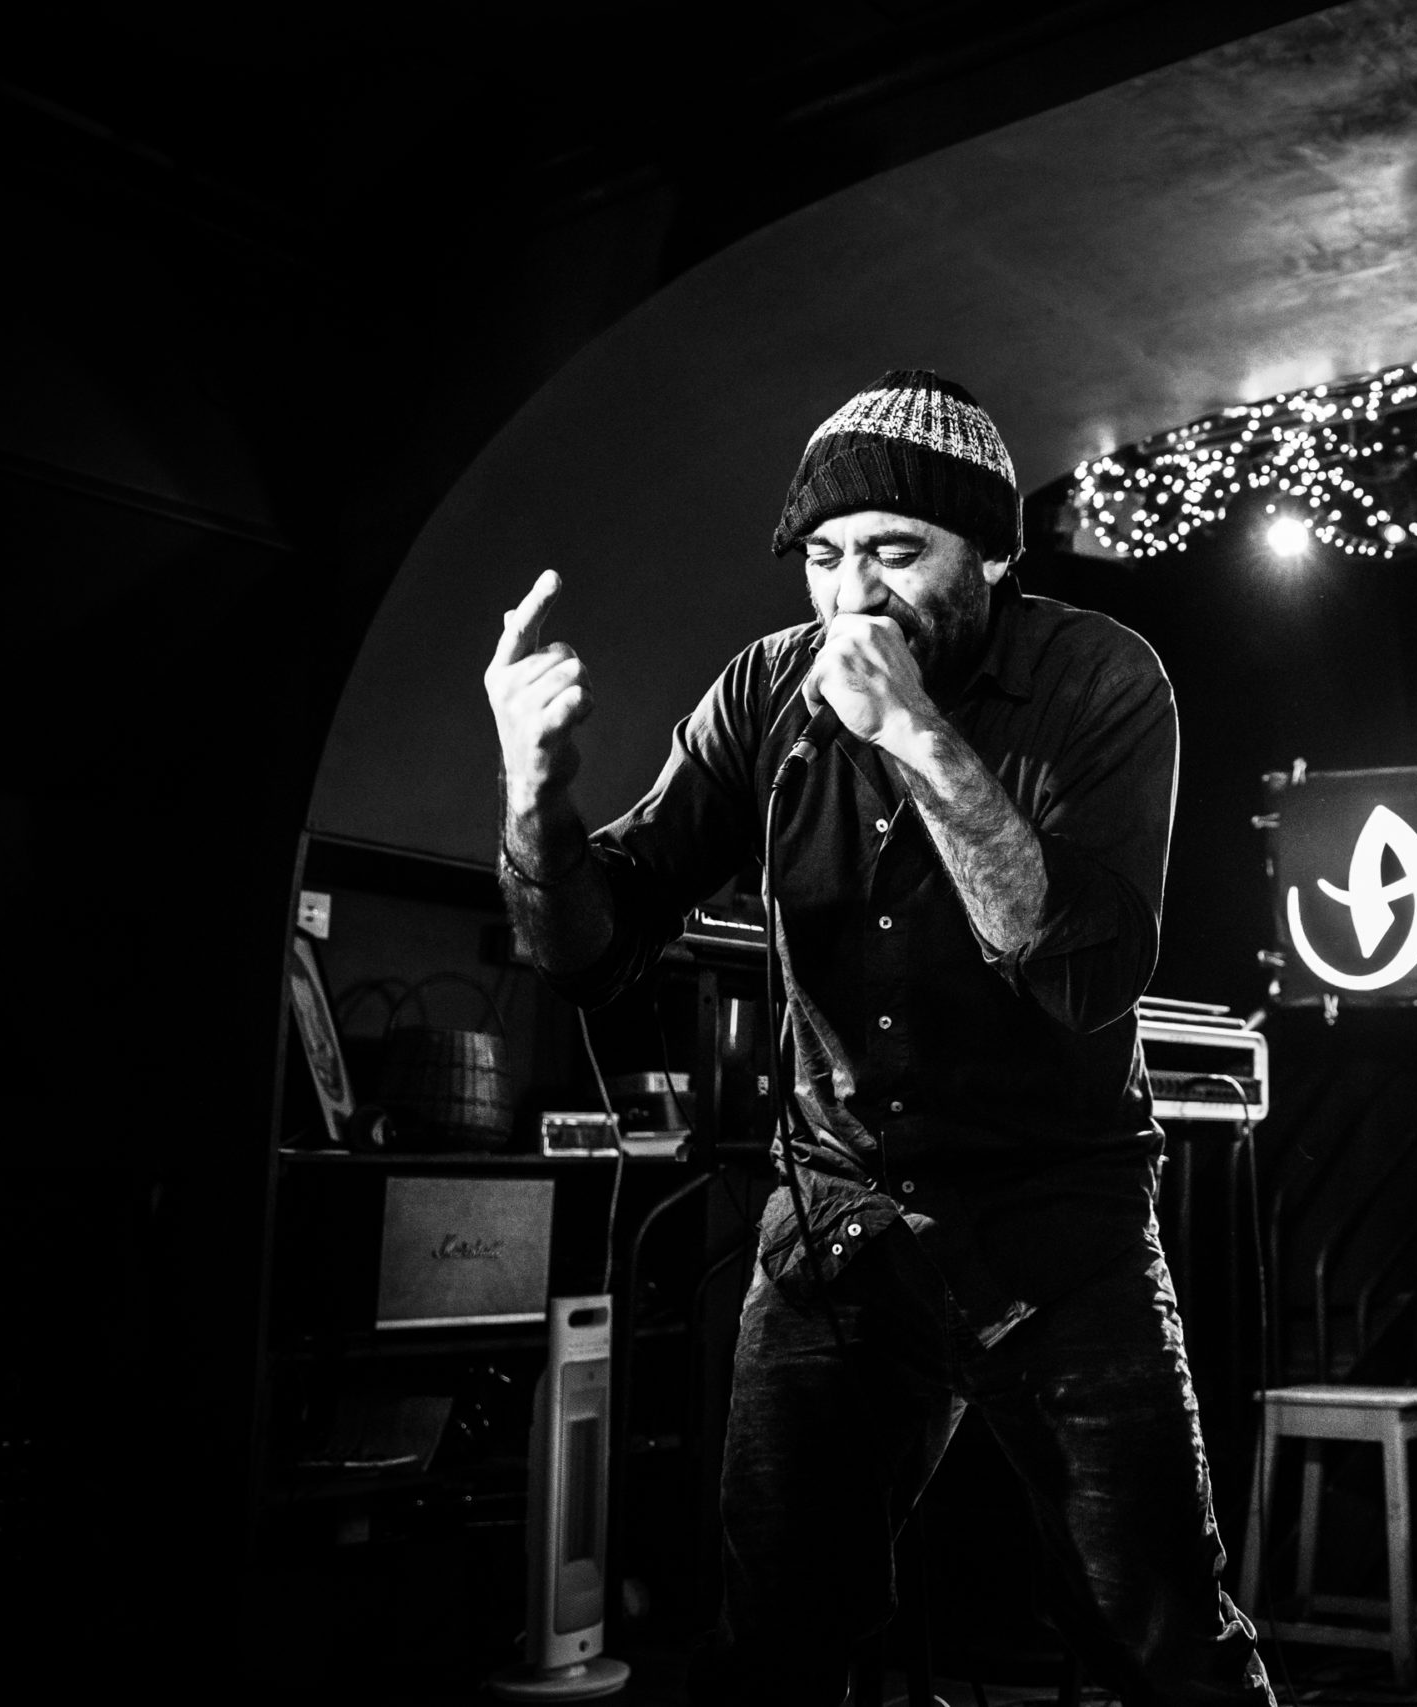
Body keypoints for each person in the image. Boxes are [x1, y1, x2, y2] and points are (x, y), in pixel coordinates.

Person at [484, 369, 1272, 1706]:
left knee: (1161, 1637)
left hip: (1057, 1225)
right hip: (842, 1215)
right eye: (825, 557)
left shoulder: (1097, 676)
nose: (853, 596)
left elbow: (1076, 966)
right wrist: (534, 802)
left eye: (897, 553)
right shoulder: (763, 692)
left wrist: (914, 732)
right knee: (778, 1631)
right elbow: (592, 951)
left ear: (995, 555)